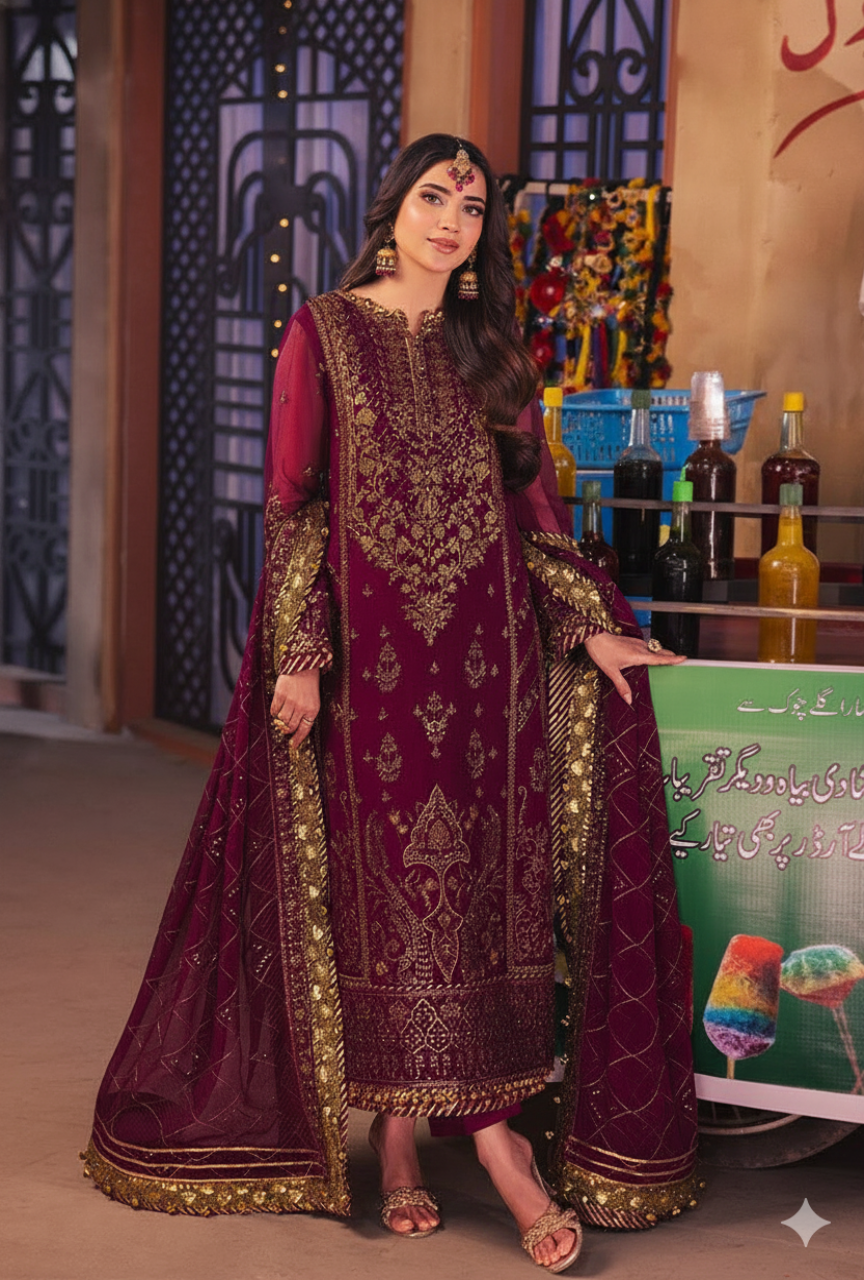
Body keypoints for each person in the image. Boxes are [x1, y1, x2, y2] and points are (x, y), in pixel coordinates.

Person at [82, 135, 700, 1271]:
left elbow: (532, 513)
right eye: (434, 196)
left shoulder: (490, 350)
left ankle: (419, 1133)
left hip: (490, 668)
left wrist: (583, 621)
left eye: (473, 207)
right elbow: (301, 505)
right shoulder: (325, 330)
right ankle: (487, 1152)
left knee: (472, 893)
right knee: (388, 896)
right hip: (372, 670)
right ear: (392, 208)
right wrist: (301, 653)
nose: (453, 220)